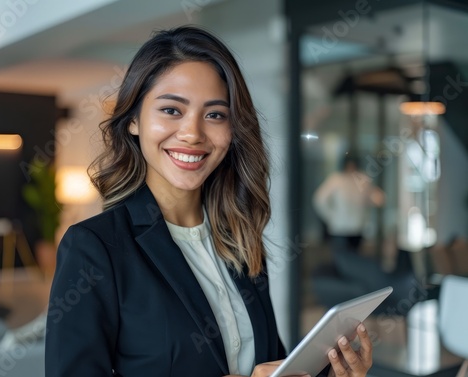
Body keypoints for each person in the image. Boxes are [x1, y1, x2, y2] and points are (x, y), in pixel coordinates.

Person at [45, 26, 373, 377]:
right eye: (172, 110)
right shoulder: (94, 248)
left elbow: (267, 362)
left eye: (215, 114)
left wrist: (330, 372)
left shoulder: (239, 238)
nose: (192, 133)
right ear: (134, 121)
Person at [313, 153, 385, 255]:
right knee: (341, 257)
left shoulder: (362, 179)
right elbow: (319, 199)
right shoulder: (336, 180)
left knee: (354, 256)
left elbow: (374, 197)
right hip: (340, 228)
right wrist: (330, 216)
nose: (351, 168)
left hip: (357, 227)